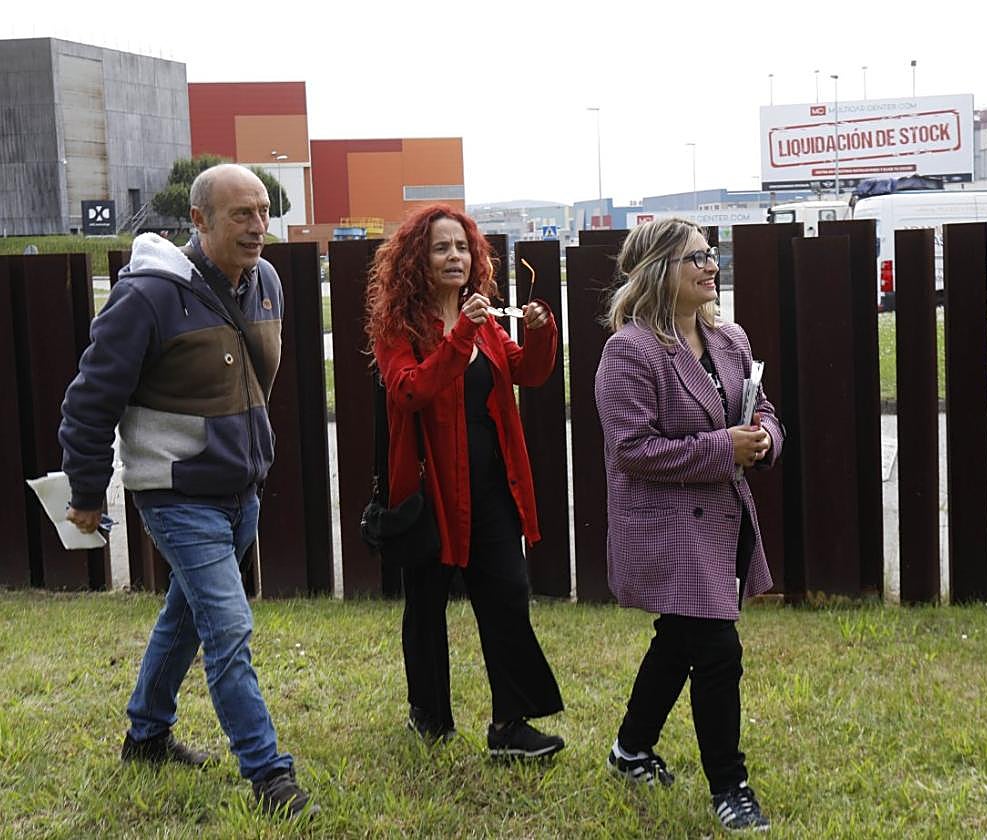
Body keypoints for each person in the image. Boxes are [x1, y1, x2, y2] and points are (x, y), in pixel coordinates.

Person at [59, 164, 316, 818]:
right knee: (228, 628)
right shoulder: (147, 295)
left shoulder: (267, 283)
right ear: (198, 222)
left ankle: (146, 736)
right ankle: (270, 776)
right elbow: (90, 403)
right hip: (175, 494)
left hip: (242, 491)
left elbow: (252, 386)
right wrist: (88, 493)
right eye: (241, 215)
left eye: (264, 211)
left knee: (185, 619)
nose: (259, 227)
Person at [595, 218, 783, 832]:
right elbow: (633, 451)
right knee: (716, 650)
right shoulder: (629, 351)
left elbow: (765, 413)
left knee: (679, 640)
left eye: (711, 255)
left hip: (720, 522)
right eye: (694, 258)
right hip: (666, 527)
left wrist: (763, 441)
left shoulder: (728, 339)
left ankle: (630, 750)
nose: (711, 266)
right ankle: (731, 787)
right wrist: (721, 449)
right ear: (659, 273)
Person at [365, 204, 565, 758]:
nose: (455, 257)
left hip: (491, 486)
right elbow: (408, 390)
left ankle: (510, 725)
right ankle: (429, 715)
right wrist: (460, 337)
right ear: (416, 262)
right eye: (440, 248)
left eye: (461, 248)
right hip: (430, 491)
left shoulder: (487, 321)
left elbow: (528, 371)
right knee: (426, 604)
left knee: (508, 592)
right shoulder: (399, 327)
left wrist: (543, 333)